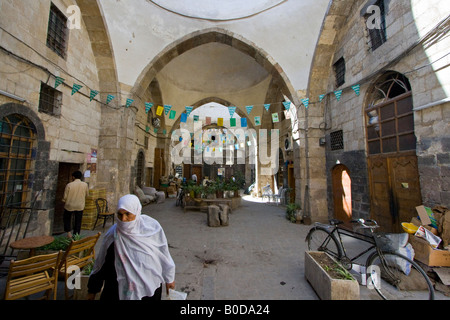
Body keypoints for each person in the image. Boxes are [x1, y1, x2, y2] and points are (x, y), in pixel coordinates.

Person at [87, 194, 176, 300]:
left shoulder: (151, 228)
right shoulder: (113, 235)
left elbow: (163, 253)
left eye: (127, 214)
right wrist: (92, 290)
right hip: (118, 291)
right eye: (120, 215)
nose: (123, 219)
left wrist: (169, 278)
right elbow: (101, 264)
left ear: (136, 212)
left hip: (148, 290)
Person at [62, 171, 89, 238]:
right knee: (78, 220)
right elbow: (87, 195)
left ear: (73, 177)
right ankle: (76, 235)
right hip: (79, 205)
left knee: (67, 218)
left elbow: (65, 197)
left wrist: (64, 200)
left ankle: (68, 232)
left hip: (70, 205)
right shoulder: (85, 185)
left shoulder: (69, 185)